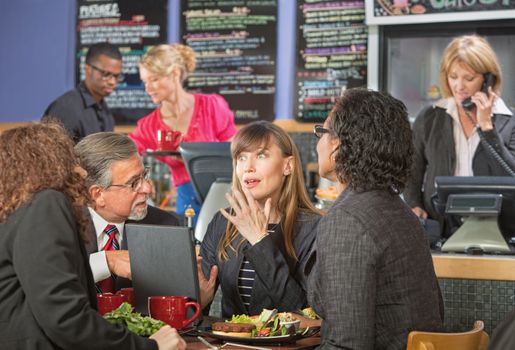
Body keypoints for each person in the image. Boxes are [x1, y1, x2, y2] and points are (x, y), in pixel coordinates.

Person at [0, 122, 185, 350]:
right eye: (67, 154)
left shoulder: (18, 210)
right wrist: (150, 346)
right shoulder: (46, 203)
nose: (77, 169)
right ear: (51, 160)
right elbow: (66, 319)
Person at [307, 88, 443, 349]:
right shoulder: (400, 212)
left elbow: (347, 343)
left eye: (321, 133)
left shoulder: (347, 220)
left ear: (338, 144)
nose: (318, 143)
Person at [198, 121, 321, 318]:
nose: (248, 167)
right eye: (241, 158)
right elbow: (195, 310)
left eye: (261, 155)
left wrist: (260, 240)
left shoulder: (313, 228)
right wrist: (197, 303)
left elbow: (305, 312)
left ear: (287, 166)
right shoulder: (222, 223)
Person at [404, 35, 515, 229]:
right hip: (441, 226)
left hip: (497, 230)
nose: (459, 86)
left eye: (469, 78)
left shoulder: (509, 121)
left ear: (487, 80)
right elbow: (412, 172)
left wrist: (487, 127)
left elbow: (511, 175)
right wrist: (414, 204)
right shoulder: (431, 117)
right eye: (453, 77)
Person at [129, 44, 237, 217]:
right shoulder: (149, 125)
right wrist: (142, 177)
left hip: (225, 193)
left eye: (154, 79)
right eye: (145, 81)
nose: (147, 88)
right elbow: (126, 151)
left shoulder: (212, 106)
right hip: (187, 201)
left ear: (175, 73)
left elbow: (236, 151)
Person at [75, 132, 180, 292]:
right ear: (97, 194)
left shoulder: (164, 226)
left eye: (144, 176)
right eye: (133, 183)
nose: (148, 188)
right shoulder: (60, 226)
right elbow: (52, 285)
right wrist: (104, 263)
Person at [43, 42, 123, 142]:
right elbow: (51, 154)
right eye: (106, 74)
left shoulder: (104, 109)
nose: (112, 82)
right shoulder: (65, 108)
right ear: (88, 69)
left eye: (116, 76)